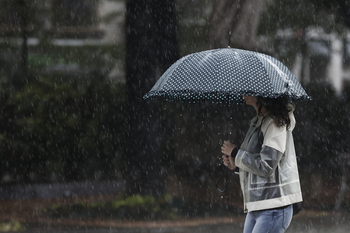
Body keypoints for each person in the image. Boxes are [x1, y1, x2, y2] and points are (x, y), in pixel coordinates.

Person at [221, 95, 303, 233]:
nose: (243, 93)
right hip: (258, 205)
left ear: (262, 96)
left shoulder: (275, 123)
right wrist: (236, 165)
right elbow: (256, 161)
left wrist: (236, 152)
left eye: (249, 90)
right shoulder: (258, 121)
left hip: (274, 207)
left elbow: (267, 166)